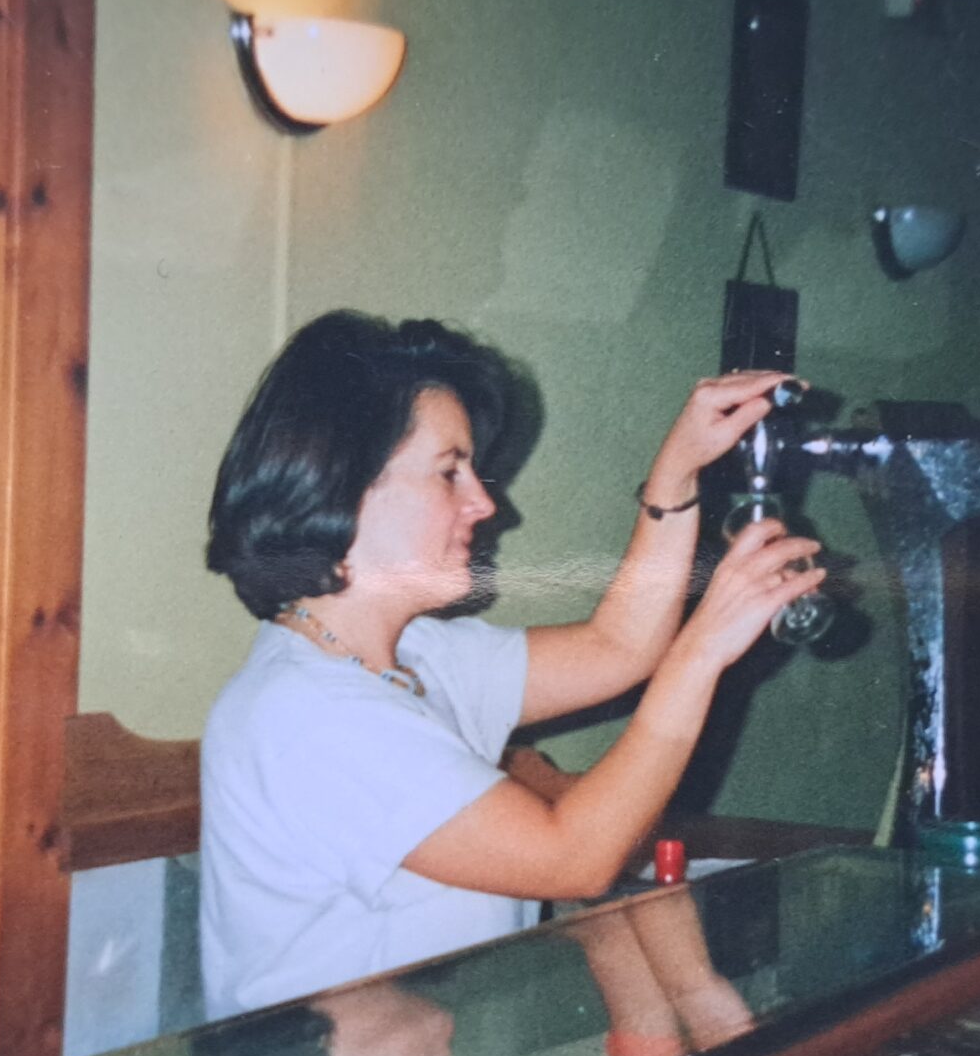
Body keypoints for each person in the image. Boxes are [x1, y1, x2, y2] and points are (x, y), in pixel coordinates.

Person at [199, 309, 822, 1017]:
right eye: (449, 472)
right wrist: (705, 649)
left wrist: (677, 475)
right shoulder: (307, 715)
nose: (485, 502)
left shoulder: (412, 656)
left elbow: (617, 648)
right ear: (343, 488)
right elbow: (573, 859)